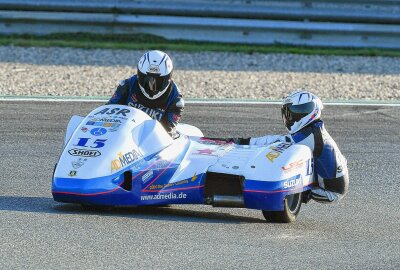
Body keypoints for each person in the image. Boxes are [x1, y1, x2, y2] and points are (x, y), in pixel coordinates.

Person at [233, 90, 349, 203]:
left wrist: (244, 142)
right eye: (291, 111)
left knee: (284, 156)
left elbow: (278, 141)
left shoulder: (312, 137)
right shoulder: (313, 129)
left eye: (301, 110)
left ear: (313, 111)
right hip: (332, 179)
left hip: (331, 191)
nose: (294, 116)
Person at [107, 50, 184, 136]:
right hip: (122, 133)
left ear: (168, 78)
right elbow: (107, 112)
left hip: (150, 141)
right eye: (146, 79)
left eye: (158, 81)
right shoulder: (127, 86)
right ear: (139, 75)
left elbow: (167, 133)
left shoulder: (176, 99)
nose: (151, 86)